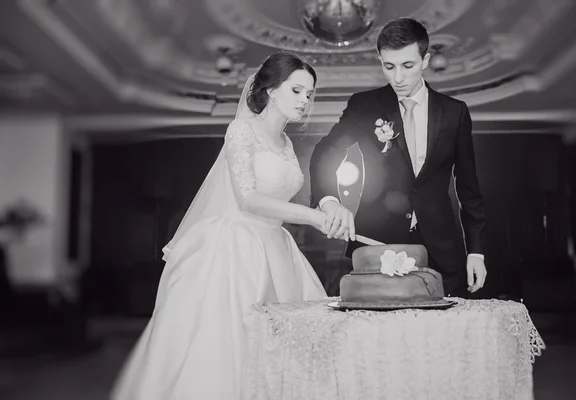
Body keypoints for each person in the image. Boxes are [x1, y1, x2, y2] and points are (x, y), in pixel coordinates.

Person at [111, 53, 328, 400]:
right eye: (298, 90)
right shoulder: (241, 131)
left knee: (284, 348)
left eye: (310, 94)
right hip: (235, 250)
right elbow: (248, 199)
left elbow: (277, 205)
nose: (305, 100)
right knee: (227, 348)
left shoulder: (287, 144)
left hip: (278, 248)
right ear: (271, 90)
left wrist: (320, 214)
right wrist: (312, 216)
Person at [309, 18, 487, 297]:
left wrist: (476, 251)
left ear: (425, 60)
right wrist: (329, 200)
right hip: (374, 245)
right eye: (388, 66)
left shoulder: (455, 112)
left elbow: (469, 189)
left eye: (408, 66)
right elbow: (326, 151)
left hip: (441, 250)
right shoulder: (365, 106)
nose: (397, 78)